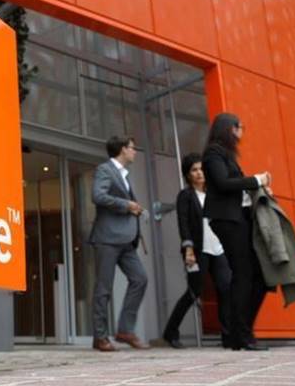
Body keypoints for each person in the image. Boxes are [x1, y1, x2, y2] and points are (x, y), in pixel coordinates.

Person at [202, 113, 271, 351]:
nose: (242, 132)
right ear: (229, 128)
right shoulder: (213, 153)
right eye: (240, 127)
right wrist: (256, 180)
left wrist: (257, 189)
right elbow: (223, 183)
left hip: (238, 218)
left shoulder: (226, 154)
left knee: (257, 276)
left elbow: (234, 187)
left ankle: (238, 333)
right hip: (227, 220)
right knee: (244, 274)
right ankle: (241, 335)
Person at [162, 153, 232, 349]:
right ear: (188, 174)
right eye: (194, 170)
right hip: (197, 250)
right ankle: (170, 332)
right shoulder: (186, 196)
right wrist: (188, 249)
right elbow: (183, 223)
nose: (199, 173)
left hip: (218, 249)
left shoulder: (214, 194)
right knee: (194, 292)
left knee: (225, 288)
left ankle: (228, 336)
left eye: (201, 169)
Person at [90, 135, 149, 352]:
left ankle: (125, 330)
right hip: (107, 238)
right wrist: (127, 205)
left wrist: (133, 208)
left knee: (140, 279)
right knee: (103, 288)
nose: (135, 152)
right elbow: (97, 196)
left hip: (126, 241)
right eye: (132, 148)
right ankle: (100, 337)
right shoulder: (105, 170)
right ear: (123, 149)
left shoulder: (124, 175)